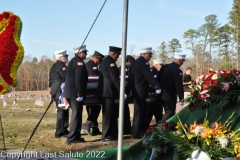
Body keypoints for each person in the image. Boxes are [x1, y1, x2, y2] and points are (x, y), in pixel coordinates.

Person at [129, 47, 161, 139]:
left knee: (140, 112)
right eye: (149, 55)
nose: (150, 57)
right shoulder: (143, 63)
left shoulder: (135, 62)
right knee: (140, 112)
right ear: (144, 54)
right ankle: (136, 133)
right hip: (140, 91)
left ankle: (138, 131)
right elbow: (148, 75)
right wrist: (156, 86)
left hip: (136, 90)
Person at [98, 46, 126, 141]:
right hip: (108, 92)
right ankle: (106, 135)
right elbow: (115, 79)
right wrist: (122, 91)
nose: (118, 57)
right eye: (117, 55)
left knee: (112, 114)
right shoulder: (110, 62)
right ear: (114, 54)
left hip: (107, 92)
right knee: (108, 115)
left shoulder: (105, 61)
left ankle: (112, 134)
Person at [64, 45, 88, 144]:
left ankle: (77, 136)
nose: (86, 54)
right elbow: (78, 78)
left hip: (71, 92)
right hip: (75, 93)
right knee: (76, 115)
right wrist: (79, 94)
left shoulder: (73, 60)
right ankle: (72, 137)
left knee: (77, 114)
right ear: (80, 53)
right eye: (85, 52)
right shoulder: (79, 62)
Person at [82, 51, 105, 136]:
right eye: (99, 60)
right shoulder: (92, 66)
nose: (99, 62)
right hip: (91, 93)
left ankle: (94, 128)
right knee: (96, 109)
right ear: (96, 58)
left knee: (92, 110)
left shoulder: (89, 64)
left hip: (89, 93)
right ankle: (87, 125)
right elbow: (95, 79)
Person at [159, 53, 186, 122]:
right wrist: (181, 98)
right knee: (170, 112)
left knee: (166, 112)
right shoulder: (177, 70)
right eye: (182, 61)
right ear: (179, 60)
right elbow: (178, 86)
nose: (182, 63)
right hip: (170, 95)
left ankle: (166, 128)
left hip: (161, 94)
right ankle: (159, 125)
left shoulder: (164, 67)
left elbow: (158, 79)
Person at [49, 49, 69, 138]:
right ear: (60, 57)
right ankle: (59, 131)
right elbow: (66, 77)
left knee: (64, 110)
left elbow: (50, 81)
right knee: (62, 111)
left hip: (55, 90)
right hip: (60, 92)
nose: (67, 57)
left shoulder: (53, 66)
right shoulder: (62, 66)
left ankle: (64, 129)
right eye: (65, 56)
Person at [118, 55, 135, 134]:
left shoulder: (129, 69)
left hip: (126, 93)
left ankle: (127, 128)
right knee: (123, 112)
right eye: (131, 62)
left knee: (126, 112)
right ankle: (125, 129)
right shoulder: (122, 69)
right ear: (128, 61)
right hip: (122, 93)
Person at [145, 59, 164, 128]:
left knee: (159, 114)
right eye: (160, 65)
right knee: (149, 114)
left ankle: (160, 128)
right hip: (151, 96)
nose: (161, 66)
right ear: (156, 64)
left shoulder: (160, 72)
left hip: (157, 97)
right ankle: (145, 128)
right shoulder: (151, 71)